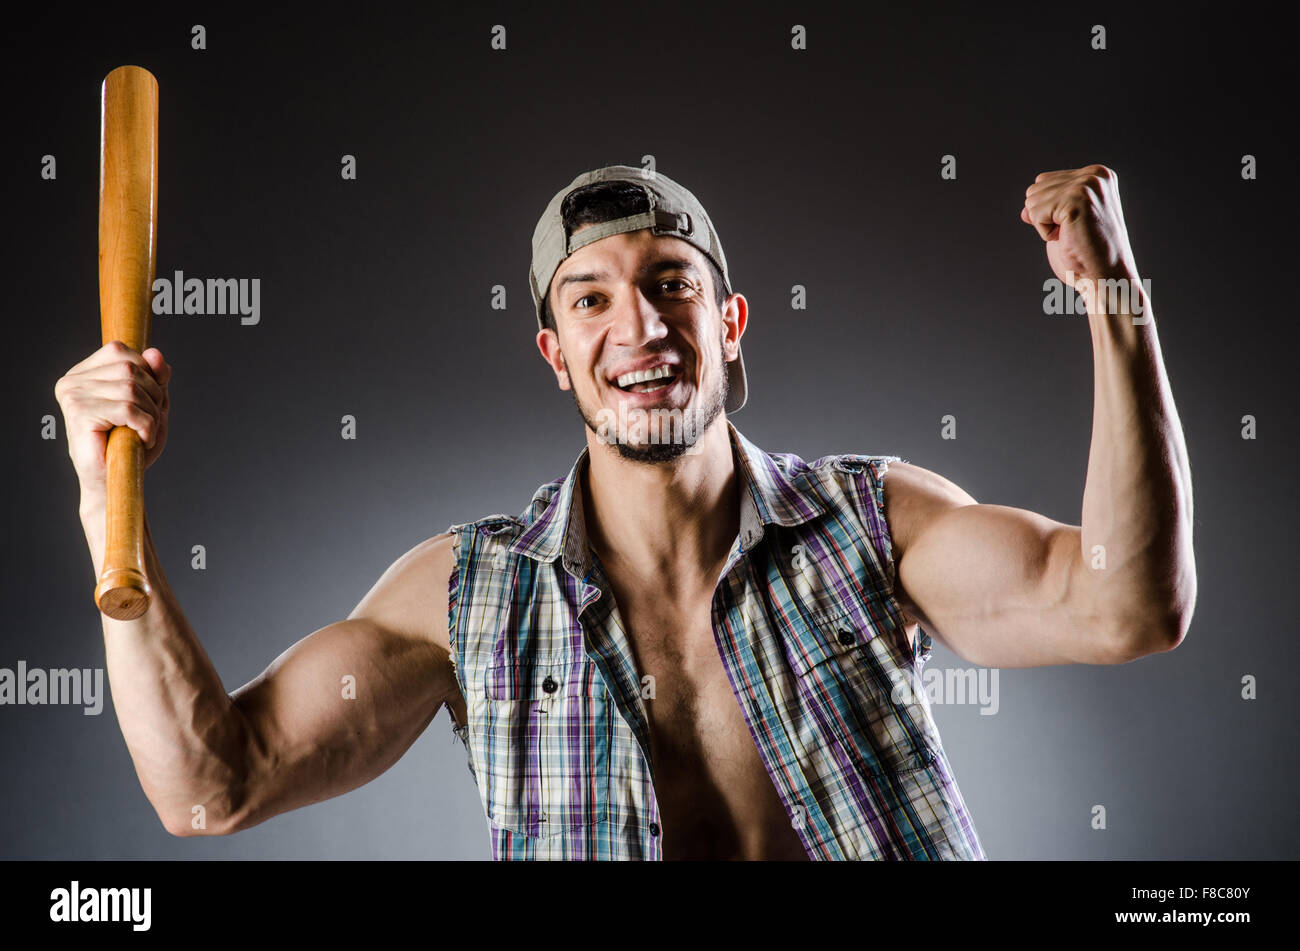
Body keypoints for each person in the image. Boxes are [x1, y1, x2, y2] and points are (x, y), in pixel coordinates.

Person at [55, 163, 1196, 860]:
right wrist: (101, 487)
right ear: (555, 355)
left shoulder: (874, 525)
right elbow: (212, 788)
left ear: (731, 321)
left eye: (670, 284)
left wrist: (1115, 297)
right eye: (591, 299)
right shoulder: (468, 594)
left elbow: (1125, 606)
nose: (639, 328)